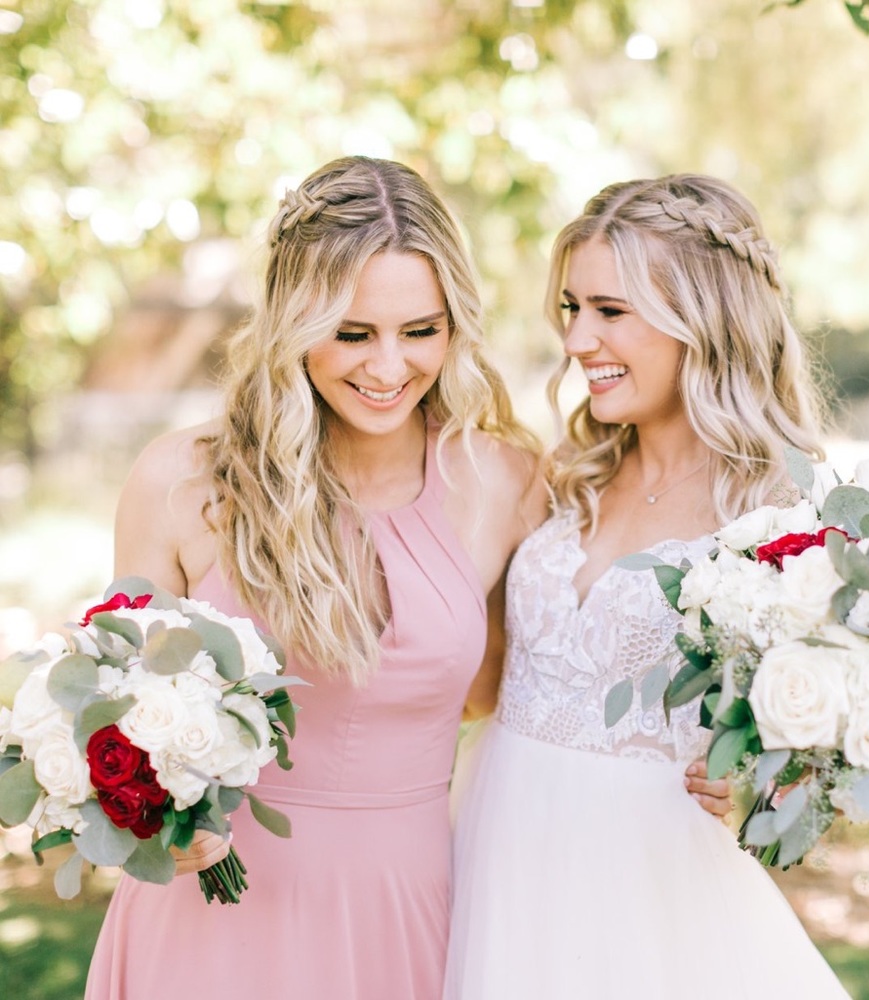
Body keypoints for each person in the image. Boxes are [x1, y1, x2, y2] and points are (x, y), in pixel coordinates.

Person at [85, 155, 548, 1000]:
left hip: (407, 914)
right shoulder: (183, 482)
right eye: (352, 332)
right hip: (208, 915)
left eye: (421, 330)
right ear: (294, 322)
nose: (388, 367)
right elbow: (111, 714)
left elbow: (520, 698)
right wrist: (156, 820)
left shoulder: (507, 484)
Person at [444, 175, 851, 998]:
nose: (577, 339)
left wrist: (768, 784)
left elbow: (820, 756)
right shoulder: (567, 478)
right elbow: (478, 674)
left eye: (610, 310)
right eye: (571, 308)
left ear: (702, 318)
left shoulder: (784, 515)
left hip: (653, 879)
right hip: (501, 843)